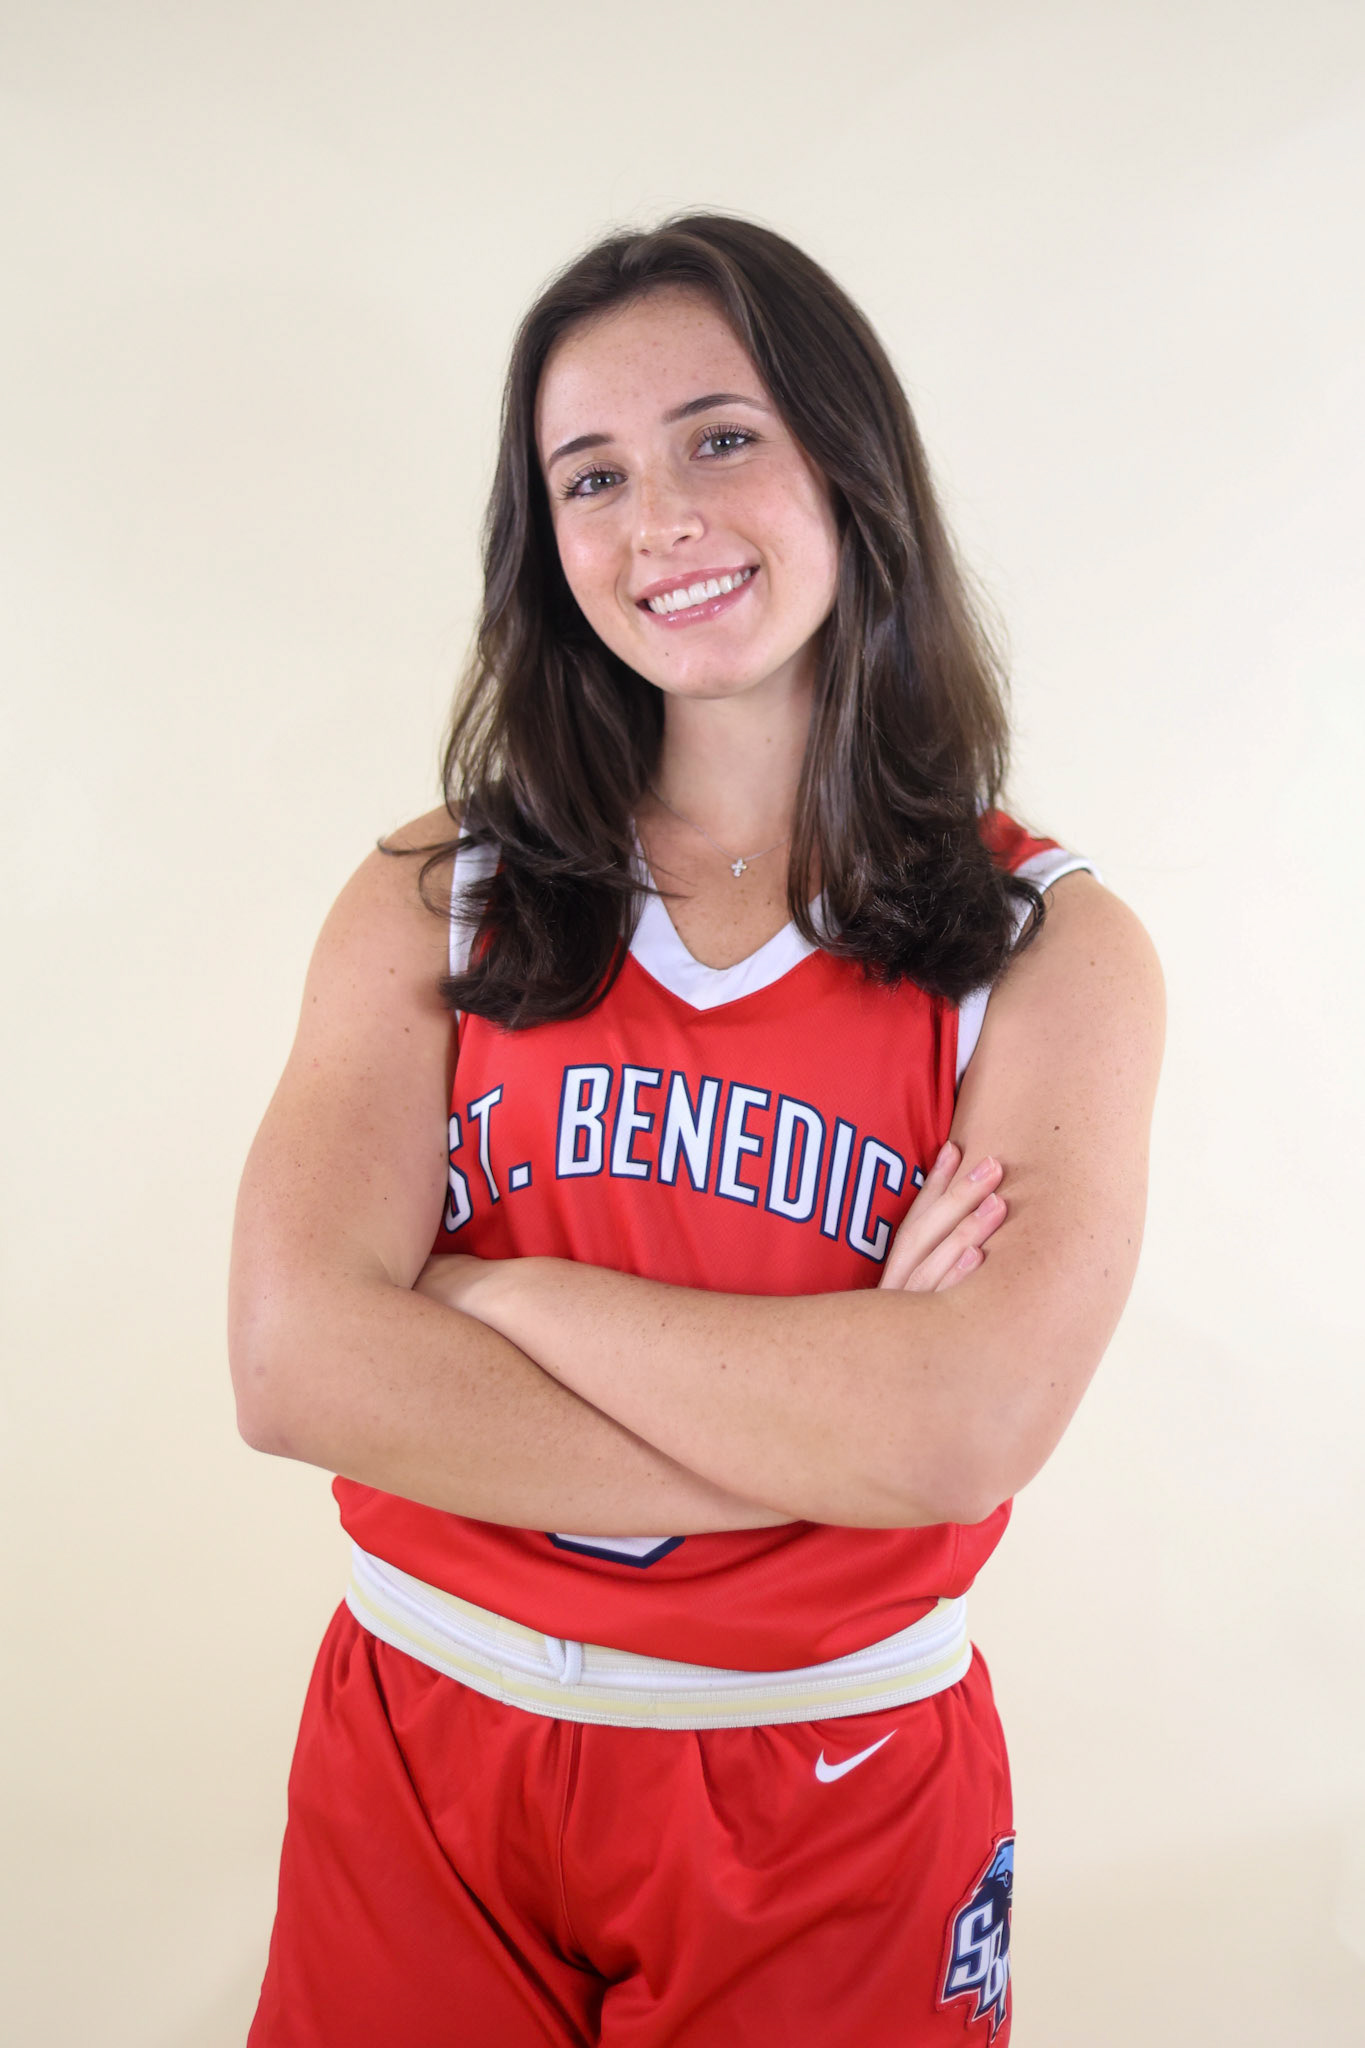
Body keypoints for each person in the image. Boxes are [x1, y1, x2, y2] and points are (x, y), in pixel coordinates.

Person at [230, 214, 1163, 2047]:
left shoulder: (1049, 950)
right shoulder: (439, 892)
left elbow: (962, 1431)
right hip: (425, 1741)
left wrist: (498, 1305)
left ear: (847, 462)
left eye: (719, 437)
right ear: (545, 538)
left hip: (827, 1784)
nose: (657, 516)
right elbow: (292, 1365)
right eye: (591, 475)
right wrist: (830, 1429)